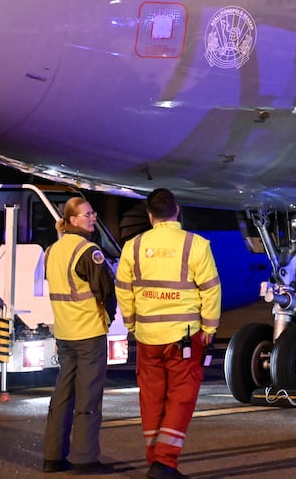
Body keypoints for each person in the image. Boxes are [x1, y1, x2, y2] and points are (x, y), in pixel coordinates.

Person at [116, 188, 221, 479]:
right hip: (183, 337)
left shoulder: (133, 247)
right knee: (181, 397)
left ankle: (155, 459)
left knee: (151, 399)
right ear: (177, 211)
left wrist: (132, 324)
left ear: (150, 216)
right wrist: (210, 327)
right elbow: (211, 289)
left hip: (148, 337)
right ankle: (164, 462)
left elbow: (123, 290)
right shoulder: (195, 245)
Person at [41, 196, 117, 474]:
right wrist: (108, 317)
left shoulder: (52, 250)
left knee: (62, 397)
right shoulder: (88, 251)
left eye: (93, 212)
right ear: (72, 220)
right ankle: (84, 458)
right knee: (88, 399)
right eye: (86, 214)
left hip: (64, 332)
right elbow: (106, 290)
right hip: (88, 333)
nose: (92, 217)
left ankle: (53, 457)